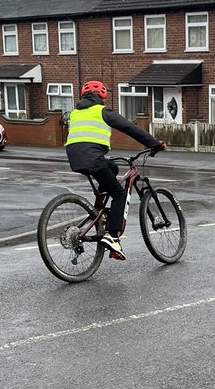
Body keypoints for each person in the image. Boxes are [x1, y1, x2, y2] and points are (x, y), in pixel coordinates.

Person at [65, 80, 164, 260]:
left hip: (75, 158)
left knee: (112, 168)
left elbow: (83, 139)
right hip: (94, 158)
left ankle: (100, 213)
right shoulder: (102, 111)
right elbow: (129, 128)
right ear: (102, 96)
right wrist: (154, 144)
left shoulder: (75, 113)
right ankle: (113, 237)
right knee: (119, 194)